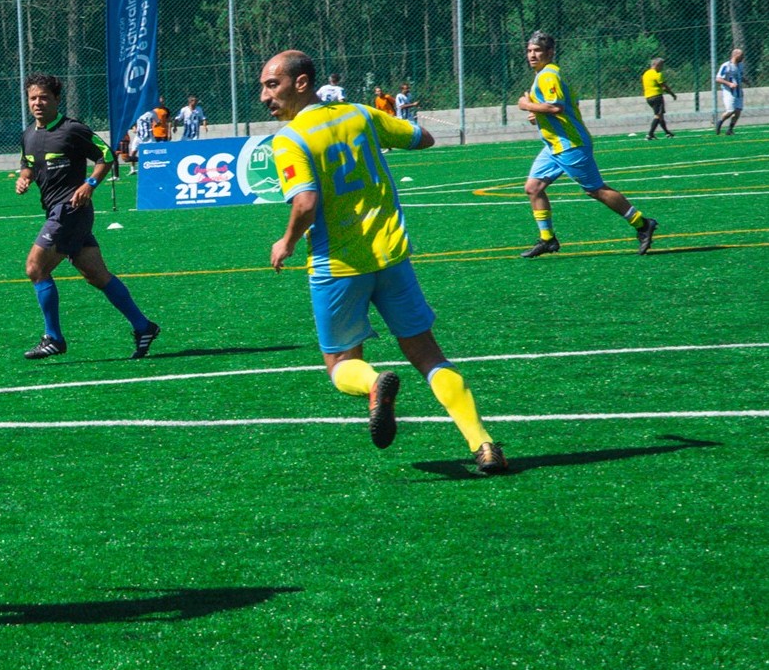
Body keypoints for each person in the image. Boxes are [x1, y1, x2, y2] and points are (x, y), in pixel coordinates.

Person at [261, 50, 506, 476]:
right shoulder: (360, 114)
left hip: (338, 264)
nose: (264, 96)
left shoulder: (291, 139)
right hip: (392, 256)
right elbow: (422, 138)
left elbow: (306, 201)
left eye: (271, 85)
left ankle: (375, 385)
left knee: (340, 367)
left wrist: (286, 241)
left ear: (301, 83)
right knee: (428, 354)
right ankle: (482, 443)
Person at [15, 73, 160, 360]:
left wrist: (89, 184)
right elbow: (28, 165)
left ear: (57, 99)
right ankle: (143, 326)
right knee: (96, 275)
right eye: (33, 98)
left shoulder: (73, 130)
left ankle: (53, 338)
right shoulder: (28, 135)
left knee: (35, 267)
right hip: (58, 212)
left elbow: (106, 156)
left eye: (44, 97)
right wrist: (24, 178)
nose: (38, 103)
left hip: (70, 210)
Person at [517, 31, 658, 259]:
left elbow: (556, 107)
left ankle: (643, 224)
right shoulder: (545, 74)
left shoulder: (548, 76)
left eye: (538, 51)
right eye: (529, 51)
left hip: (569, 144)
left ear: (550, 53)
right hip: (554, 146)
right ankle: (547, 239)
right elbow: (561, 106)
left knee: (596, 190)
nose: (532, 55)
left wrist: (525, 105)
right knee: (533, 188)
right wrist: (536, 112)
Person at [641, 58, 676, 139]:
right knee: (658, 115)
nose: (662, 67)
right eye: (661, 65)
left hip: (648, 97)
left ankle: (667, 132)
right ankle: (650, 134)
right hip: (657, 96)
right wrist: (672, 94)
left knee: (660, 116)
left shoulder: (646, 74)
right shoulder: (657, 73)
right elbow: (664, 87)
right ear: (657, 65)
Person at [716, 48, 744, 135]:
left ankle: (730, 129)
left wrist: (745, 80)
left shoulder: (740, 65)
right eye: (742, 55)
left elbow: (739, 76)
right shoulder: (726, 65)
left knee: (738, 111)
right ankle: (720, 122)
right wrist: (729, 84)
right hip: (729, 92)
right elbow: (718, 79)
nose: (743, 57)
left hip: (739, 92)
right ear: (736, 55)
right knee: (730, 110)